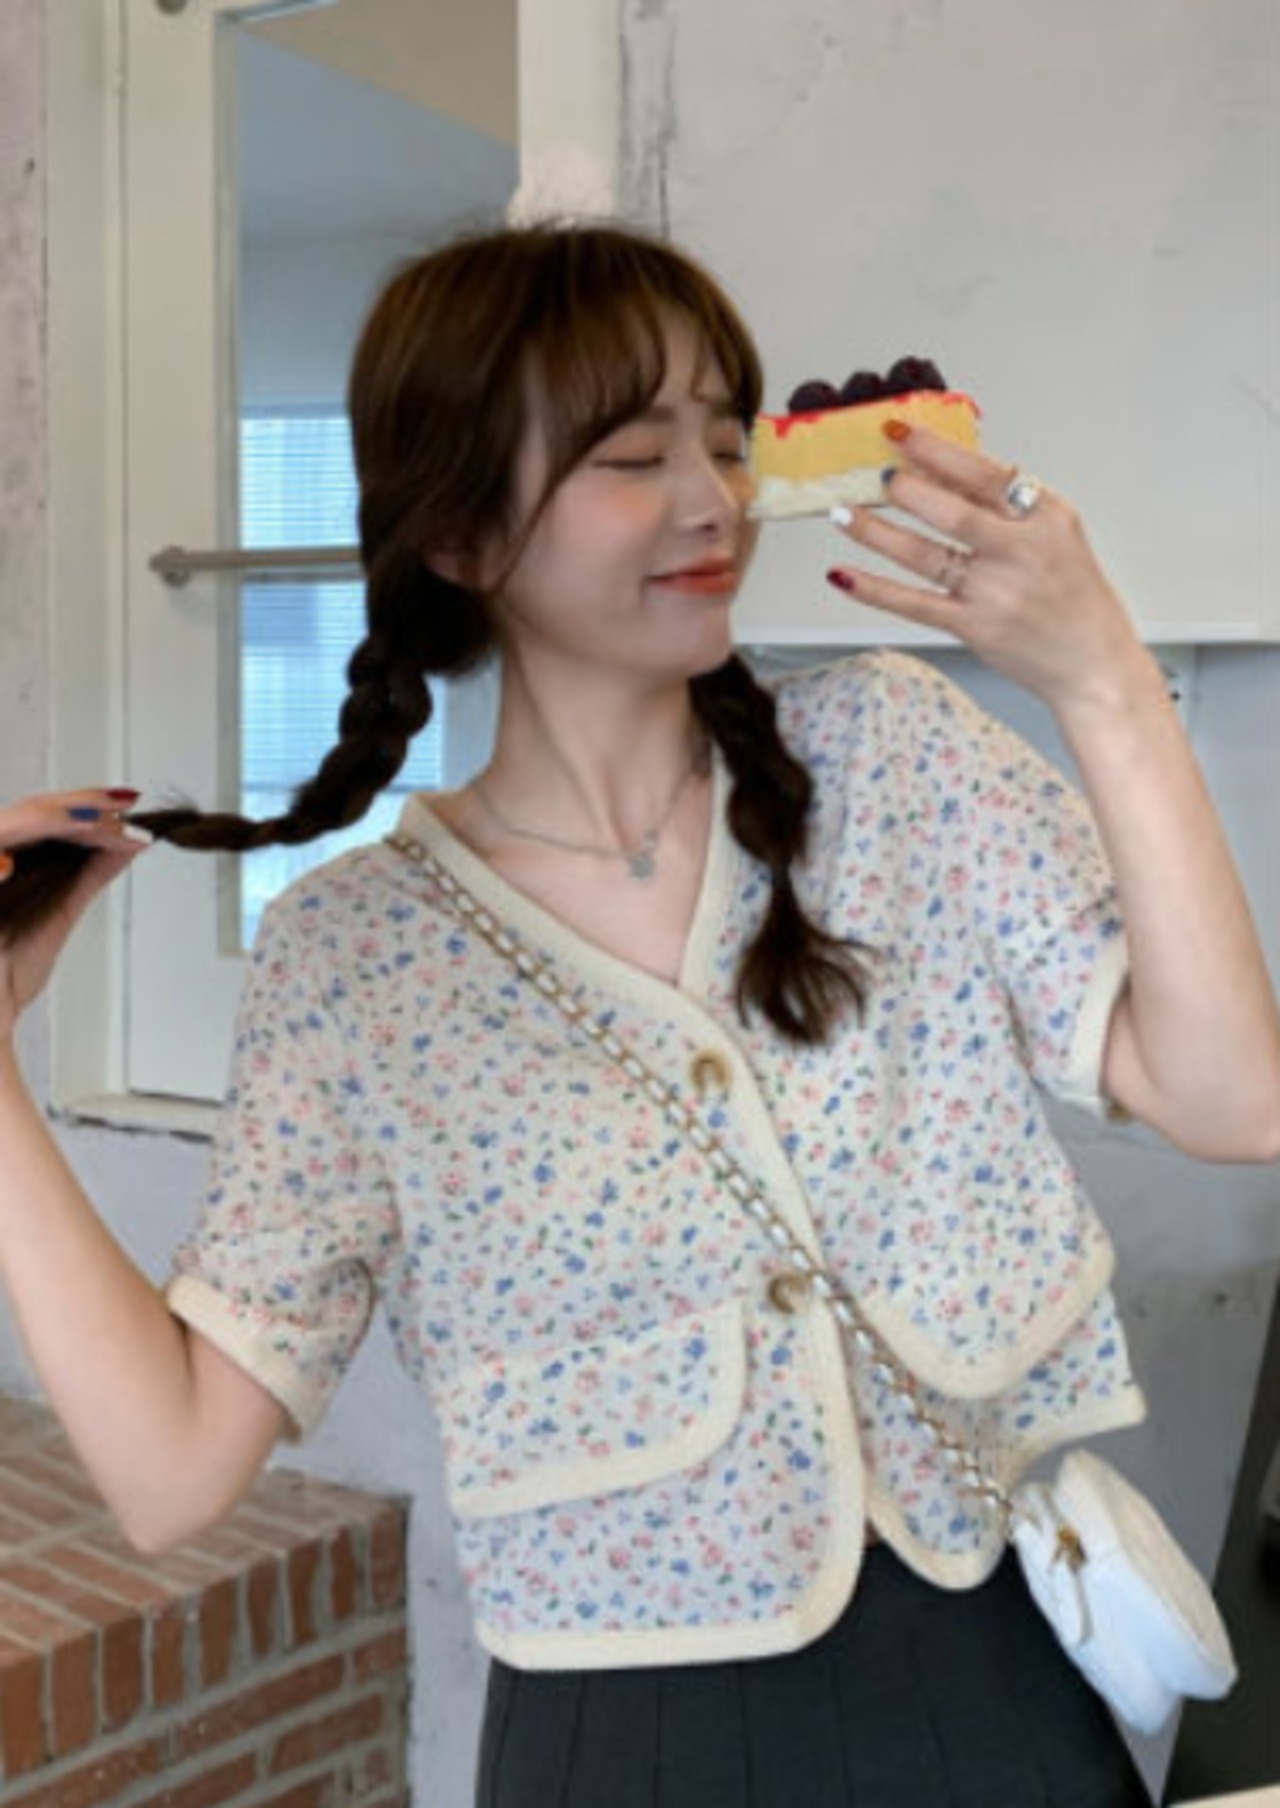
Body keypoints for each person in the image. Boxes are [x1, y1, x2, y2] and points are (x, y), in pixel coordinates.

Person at [1, 221, 1277, 1808]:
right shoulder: (355, 959)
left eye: (727, 443)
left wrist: (1103, 681)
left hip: (987, 1677)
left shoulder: (893, 756)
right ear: (461, 533)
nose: (710, 501)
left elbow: (1236, 1099)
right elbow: (170, 1470)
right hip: (623, 1746)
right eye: (630, 457)